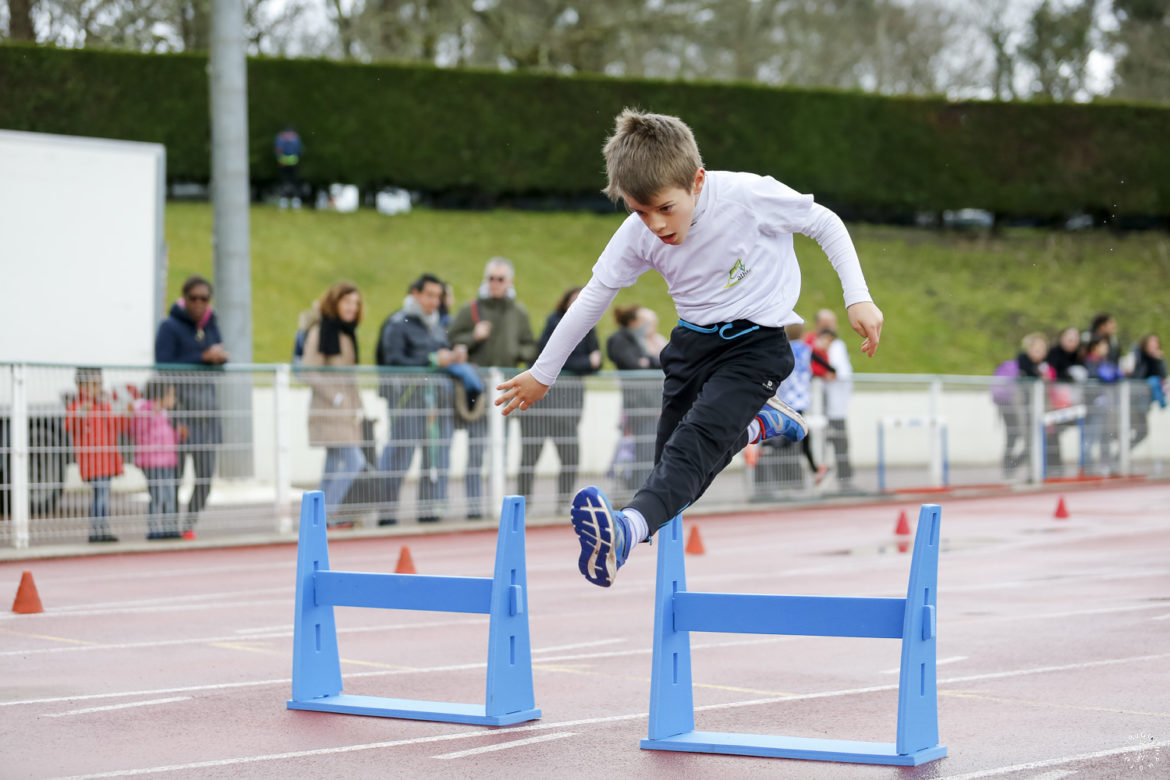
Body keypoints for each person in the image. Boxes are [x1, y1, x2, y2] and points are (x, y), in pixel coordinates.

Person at [496, 109, 883, 588]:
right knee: (673, 467)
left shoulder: (747, 196)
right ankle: (759, 424)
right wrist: (542, 374)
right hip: (691, 345)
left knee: (692, 448)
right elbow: (594, 297)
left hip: (755, 345)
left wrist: (857, 295)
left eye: (665, 207)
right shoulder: (637, 233)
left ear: (697, 181)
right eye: (640, 211)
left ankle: (623, 531)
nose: (656, 225)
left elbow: (824, 222)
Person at [448, 258, 538, 518]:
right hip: (478, 388)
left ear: (509, 282)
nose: (495, 283)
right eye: (491, 278)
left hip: (506, 386)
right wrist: (473, 337)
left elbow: (530, 345)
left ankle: (499, 502)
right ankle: (475, 507)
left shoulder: (518, 312)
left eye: (500, 279)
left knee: (503, 447)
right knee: (477, 449)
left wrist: (516, 352)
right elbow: (451, 339)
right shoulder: (471, 309)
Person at [375, 274, 468, 525]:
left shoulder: (438, 325)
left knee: (435, 456)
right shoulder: (397, 323)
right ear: (415, 293)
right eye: (429, 295)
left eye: (438, 296)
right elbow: (393, 362)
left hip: (438, 403)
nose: (434, 301)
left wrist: (453, 357)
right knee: (398, 457)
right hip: (407, 403)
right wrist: (432, 360)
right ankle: (386, 514)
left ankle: (428, 510)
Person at [155, 275, 227, 538]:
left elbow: (220, 368)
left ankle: (188, 524)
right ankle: (171, 525)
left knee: (205, 478)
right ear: (184, 298)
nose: (199, 303)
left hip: (207, 415)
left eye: (204, 299)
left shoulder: (212, 325)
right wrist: (202, 358)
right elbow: (163, 365)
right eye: (193, 298)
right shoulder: (169, 326)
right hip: (180, 415)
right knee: (174, 477)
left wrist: (218, 360)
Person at [517, 287, 602, 509]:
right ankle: (522, 504)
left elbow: (598, 360)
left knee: (570, 457)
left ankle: (564, 503)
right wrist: (586, 363)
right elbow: (552, 359)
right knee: (529, 457)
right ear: (565, 302)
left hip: (568, 407)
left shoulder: (588, 327)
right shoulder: (555, 322)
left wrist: (588, 363)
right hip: (542, 406)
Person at [300, 282, 367, 526]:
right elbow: (308, 370)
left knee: (332, 465)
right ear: (335, 302)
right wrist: (335, 397)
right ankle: (327, 513)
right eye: (347, 301)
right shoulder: (322, 331)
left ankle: (316, 516)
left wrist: (355, 403)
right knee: (354, 461)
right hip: (330, 410)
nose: (352, 307)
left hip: (345, 412)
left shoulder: (346, 332)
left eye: (355, 302)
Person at [606, 304, 665, 493]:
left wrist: (647, 361)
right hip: (638, 402)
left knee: (647, 448)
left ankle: (642, 489)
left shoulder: (636, 339)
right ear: (633, 322)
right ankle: (640, 491)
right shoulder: (619, 340)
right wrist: (646, 362)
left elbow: (651, 361)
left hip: (649, 402)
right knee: (642, 449)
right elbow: (635, 363)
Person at [64, 367, 127, 543]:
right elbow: (70, 426)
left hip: (106, 459)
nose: (98, 388)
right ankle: (97, 530)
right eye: (94, 384)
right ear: (81, 386)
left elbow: (117, 427)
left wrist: (125, 413)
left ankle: (101, 528)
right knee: (101, 495)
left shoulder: (104, 406)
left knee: (103, 494)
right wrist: (82, 412)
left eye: (99, 384)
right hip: (93, 461)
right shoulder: (78, 407)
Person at [131, 378, 183, 540]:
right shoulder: (145, 410)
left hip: (167, 461)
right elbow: (136, 432)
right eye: (171, 395)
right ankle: (154, 528)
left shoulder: (164, 414)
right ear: (160, 396)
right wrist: (148, 414)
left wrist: (179, 434)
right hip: (152, 463)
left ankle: (169, 527)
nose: (173, 400)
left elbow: (168, 438)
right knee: (157, 495)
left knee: (169, 494)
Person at [815, 309, 856, 491]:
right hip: (816, 405)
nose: (830, 328)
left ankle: (845, 480)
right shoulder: (812, 345)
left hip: (835, 406)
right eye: (826, 325)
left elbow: (841, 372)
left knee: (840, 443)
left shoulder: (837, 346)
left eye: (832, 324)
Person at [1083, 335, 1123, 473]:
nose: (1107, 349)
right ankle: (1086, 465)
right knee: (1091, 436)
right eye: (1104, 346)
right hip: (1092, 407)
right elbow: (1098, 378)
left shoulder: (1104, 362)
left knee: (1105, 436)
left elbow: (1116, 376)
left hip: (1105, 407)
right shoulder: (1089, 362)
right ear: (1095, 347)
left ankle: (1105, 463)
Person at [1130, 333, 1167, 449]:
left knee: (1142, 432)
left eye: (1155, 343)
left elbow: (1162, 376)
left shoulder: (1158, 360)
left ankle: (1120, 456)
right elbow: (1139, 376)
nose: (1154, 345)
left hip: (1144, 403)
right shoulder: (1140, 357)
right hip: (1134, 401)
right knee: (1136, 430)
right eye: (1151, 343)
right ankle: (1117, 457)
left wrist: (1158, 361)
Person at [274, 126, 303, 209]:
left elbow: (298, 150)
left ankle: (295, 200)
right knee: (283, 181)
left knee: (294, 181)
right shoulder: (280, 139)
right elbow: (278, 150)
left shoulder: (295, 139)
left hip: (293, 164)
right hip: (283, 163)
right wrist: (279, 159)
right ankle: (284, 199)